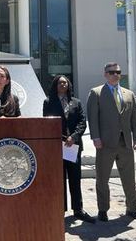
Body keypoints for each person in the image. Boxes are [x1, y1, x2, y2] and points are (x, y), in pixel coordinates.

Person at [86, 62, 136, 222]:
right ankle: (103, 209)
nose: (115, 74)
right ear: (105, 74)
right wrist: (96, 137)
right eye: (112, 72)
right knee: (102, 178)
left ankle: (132, 209)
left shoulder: (129, 94)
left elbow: (135, 118)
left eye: (118, 72)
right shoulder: (97, 92)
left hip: (125, 143)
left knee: (129, 178)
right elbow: (92, 118)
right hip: (105, 143)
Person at [42, 75, 95, 224]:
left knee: (75, 178)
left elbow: (81, 122)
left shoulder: (76, 102)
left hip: (73, 146)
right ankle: (60, 209)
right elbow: (46, 122)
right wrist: (60, 138)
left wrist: (74, 137)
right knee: (59, 179)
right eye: (60, 82)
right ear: (55, 85)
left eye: (65, 82)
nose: (63, 84)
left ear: (69, 85)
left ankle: (78, 209)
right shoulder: (48, 102)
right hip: (57, 146)